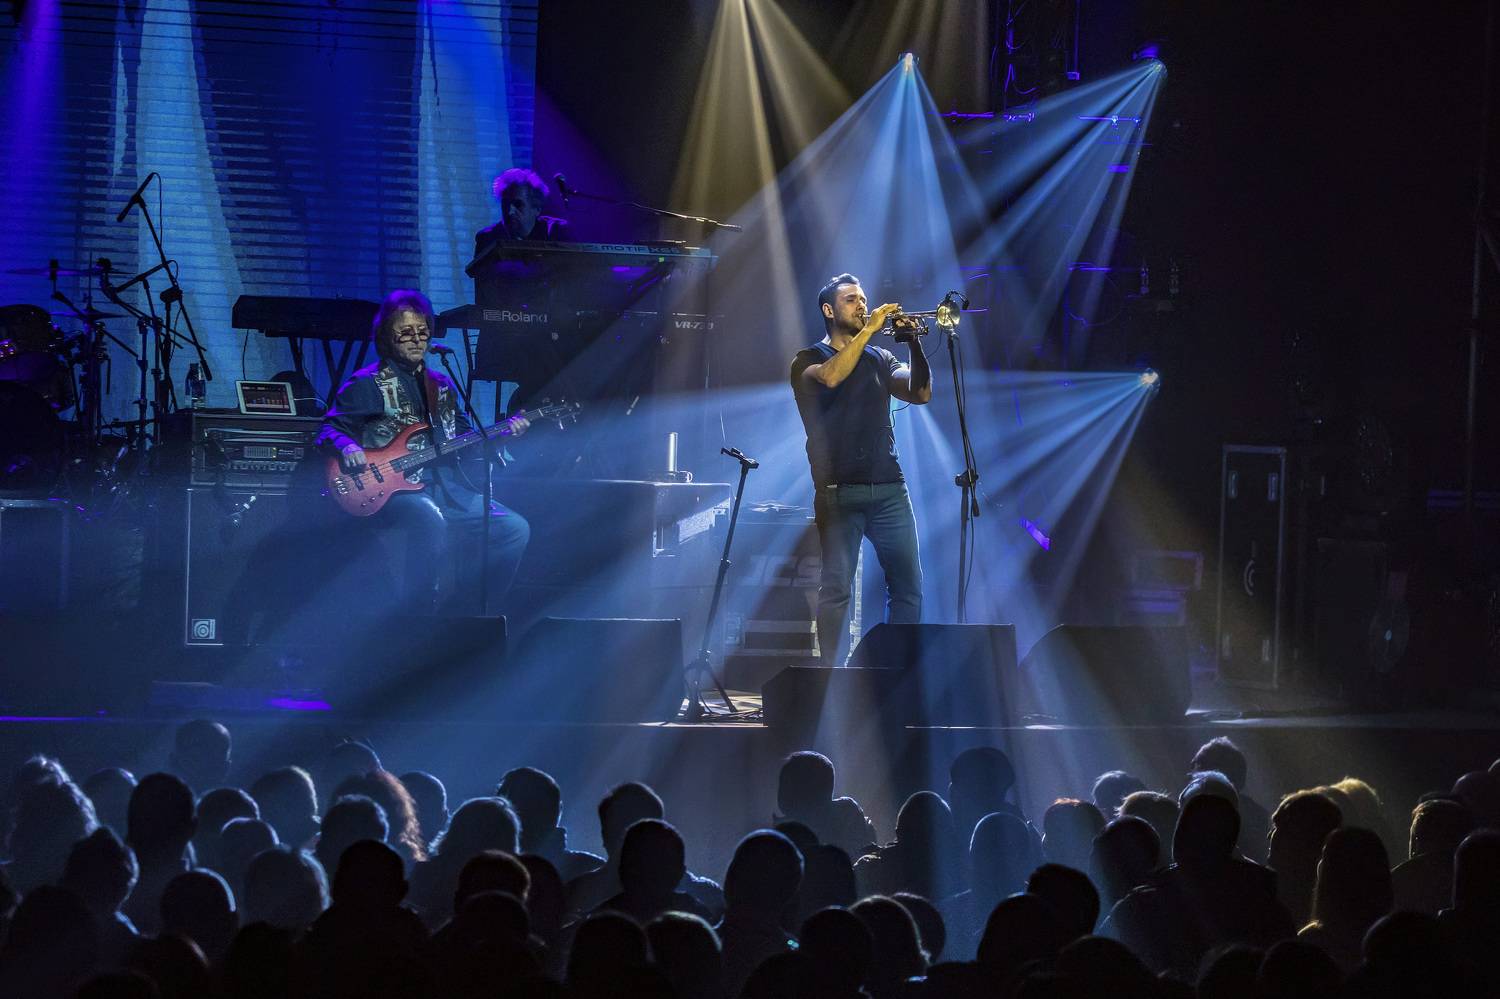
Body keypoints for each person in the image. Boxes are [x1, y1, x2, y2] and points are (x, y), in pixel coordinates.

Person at [318, 288, 531, 613]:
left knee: (514, 529)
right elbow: (328, 430)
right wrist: (347, 446)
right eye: (406, 332)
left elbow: (466, 441)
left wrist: (502, 436)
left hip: (448, 488)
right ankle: (419, 616)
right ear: (386, 336)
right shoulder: (367, 383)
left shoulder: (442, 385)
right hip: (393, 490)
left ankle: (470, 615)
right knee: (430, 520)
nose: (417, 339)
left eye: (422, 331)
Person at [790, 273, 931, 666]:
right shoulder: (807, 360)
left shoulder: (880, 358)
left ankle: (897, 670)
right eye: (852, 299)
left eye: (864, 299)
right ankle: (832, 676)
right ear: (828, 310)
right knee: (837, 589)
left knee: (908, 587)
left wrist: (914, 344)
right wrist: (870, 329)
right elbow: (832, 377)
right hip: (839, 491)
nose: (863, 306)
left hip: (889, 489)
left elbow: (919, 393)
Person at [474, 167, 564, 256]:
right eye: (505, 204)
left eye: (518, 205)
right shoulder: (487, 238)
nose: (510, 212)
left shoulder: (555, 232)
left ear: (537, 209)